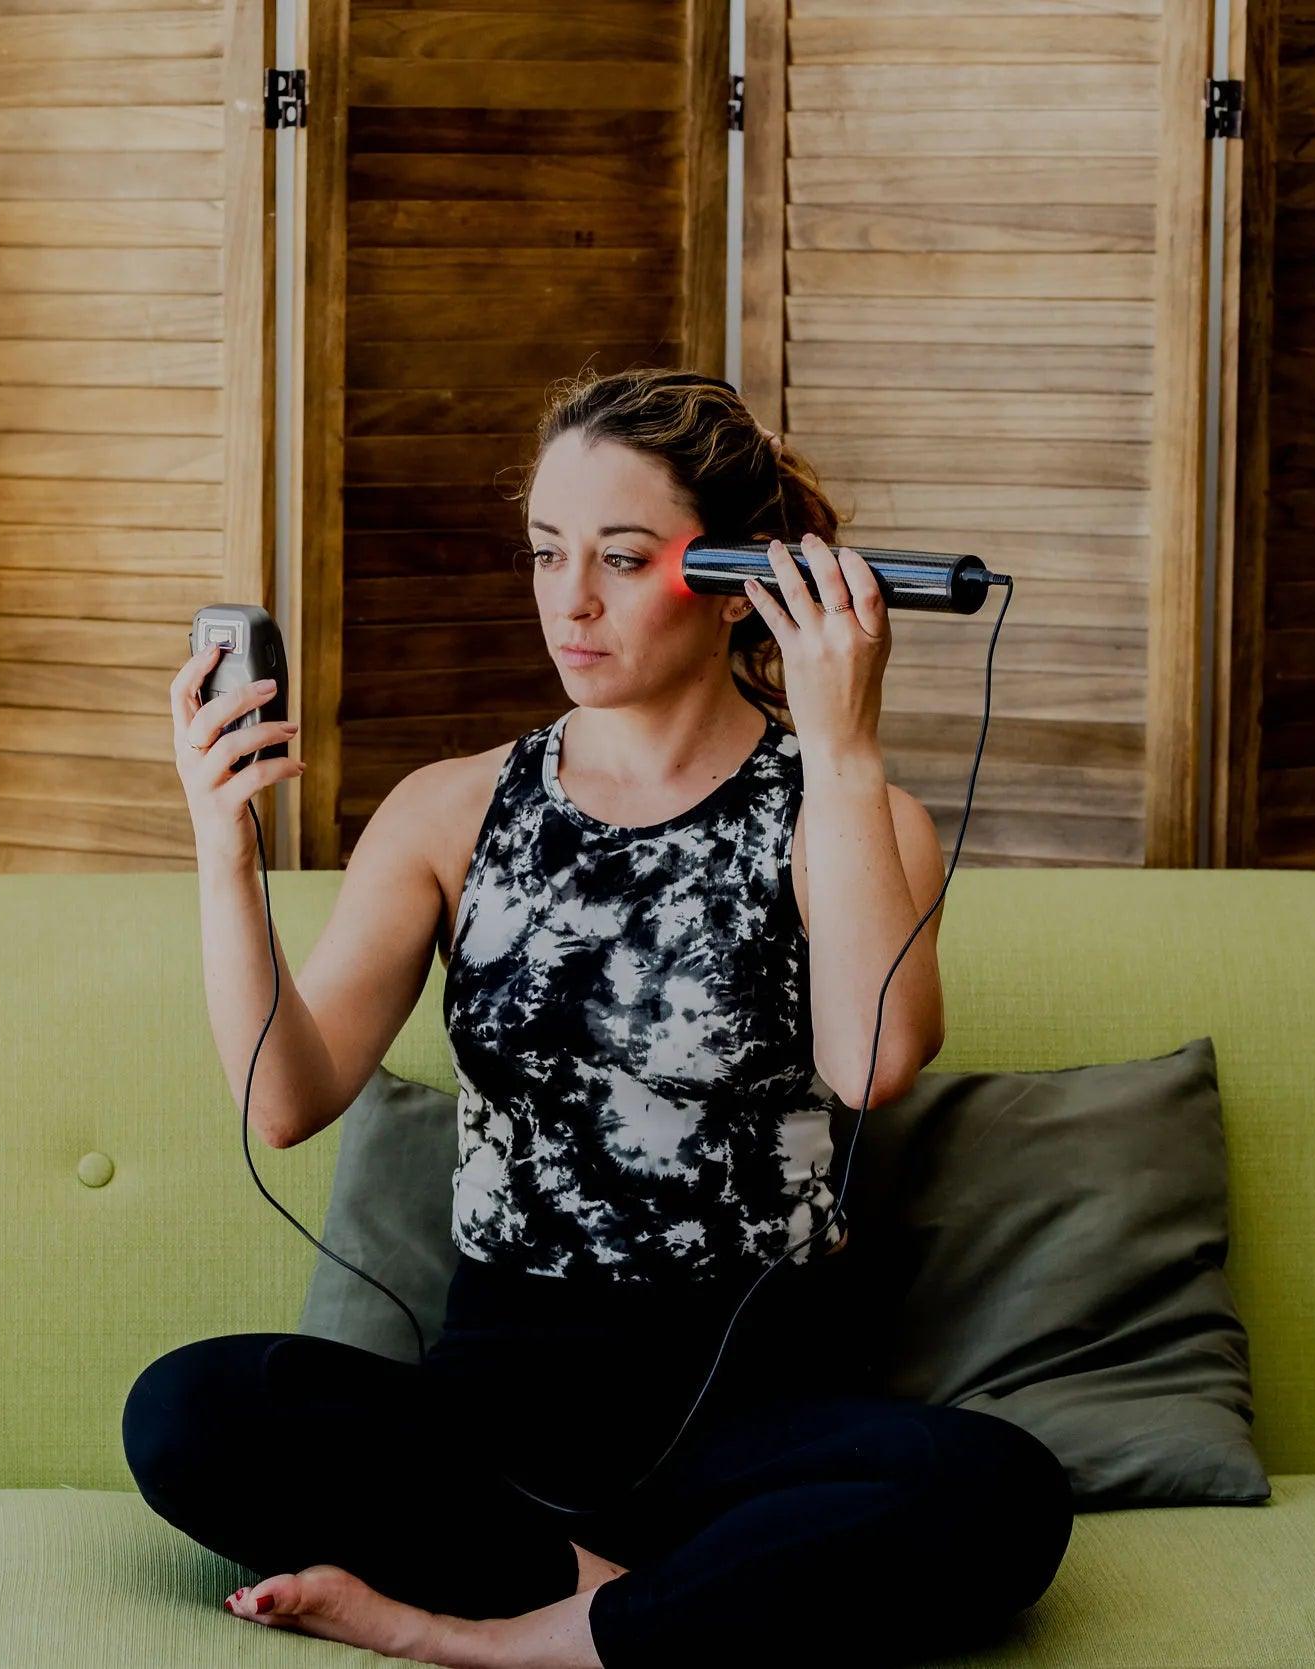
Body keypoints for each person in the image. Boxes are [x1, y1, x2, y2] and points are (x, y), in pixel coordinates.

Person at [123, 367, 1073, 1667]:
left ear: (743, 574)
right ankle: (645, 1600)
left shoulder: (848, 815)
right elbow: (283, 1101)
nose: (570, 599)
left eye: (622, 559)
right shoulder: (450, 810)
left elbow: (875, 1058)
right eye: (547, 552)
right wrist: (220, 849)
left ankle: (517, 1635)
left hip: (756, 1419)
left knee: (999, 1491)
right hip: (496, 1418)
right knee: (188, 1410)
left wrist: (843, 745)